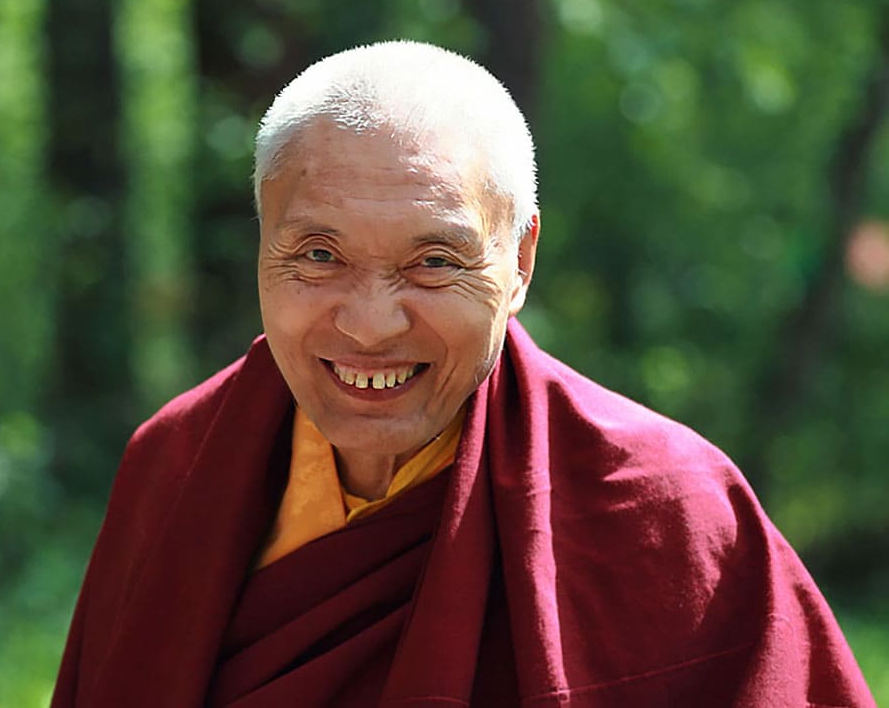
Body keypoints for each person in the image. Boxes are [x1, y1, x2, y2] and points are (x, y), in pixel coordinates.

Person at [52, 41, 873, 707]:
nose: (370, 324)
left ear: (520, 263)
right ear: (262, 244)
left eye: (435, 261)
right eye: (319, 255)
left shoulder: (664, 508)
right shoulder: (177, 465)